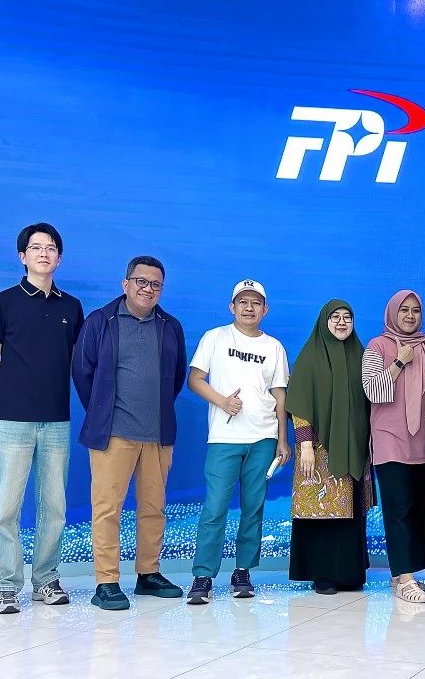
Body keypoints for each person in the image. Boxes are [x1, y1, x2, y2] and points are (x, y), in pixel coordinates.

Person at [72, 255, 187, 611]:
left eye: (155, 284)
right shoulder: (100, 321)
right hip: (112, 434)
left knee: (153, 508)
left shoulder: (170, 326)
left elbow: (176, 376)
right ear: (126, 284)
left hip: (157, 434)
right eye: (141, 281)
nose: (147, 289)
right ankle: (106, 581)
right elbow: (82, 372)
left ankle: (148, 574)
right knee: (107, 509)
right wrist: (103, 410)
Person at [0, 222, 84, 614]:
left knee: (54, 507)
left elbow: (76, 363)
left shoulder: (71, 307)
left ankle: (46, 580)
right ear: (22, 256)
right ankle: (7, 586)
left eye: (51, 247)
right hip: (12, 422)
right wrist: (16, 394)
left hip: (57, 421)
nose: (44, 253)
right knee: (6, 508)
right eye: (36, 247)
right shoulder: (2, 302)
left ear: (59, 257)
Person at [185, 280, 291, 604]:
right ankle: (203, 575)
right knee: (215, 507)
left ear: (265, 309)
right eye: (243, 302)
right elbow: (195, 379)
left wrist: (283, 440)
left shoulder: (274, 347)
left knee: (253, 507)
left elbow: (280, 395)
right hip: (225, 437)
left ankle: (243, 571)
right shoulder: (215, 338)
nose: (249, 308)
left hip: (263, 438)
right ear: (232, 307)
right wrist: (222, 401)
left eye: (255, 303)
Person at [286, 300, 373, 595]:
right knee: (322, 510)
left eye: (347, 317)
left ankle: (348, 572)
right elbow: (299, 403)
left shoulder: (360, 355)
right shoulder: (310, 356)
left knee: (350, 511)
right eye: (335, 317)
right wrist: (305, 445)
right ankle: (322, 574)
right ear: (324, 321)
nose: (341, 322)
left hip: (354, 448)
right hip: (319, 450)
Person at [362, 290, 425, 604]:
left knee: (418, 508)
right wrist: (398, 363)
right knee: (398, 508)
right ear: (393, 312)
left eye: (415, 310)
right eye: (404, 310)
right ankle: (405, 578)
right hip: (389, 439)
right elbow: (372, 390)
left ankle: (401, 572)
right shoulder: (377, 346)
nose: (409, 316)